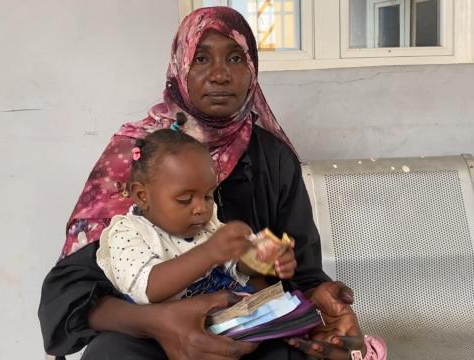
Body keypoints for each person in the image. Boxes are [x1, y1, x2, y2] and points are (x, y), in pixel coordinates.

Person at [38, 6, 387, 360]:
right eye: (201, 58)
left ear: (252, 70)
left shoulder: (274, 159)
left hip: (244, 330)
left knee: (303, 353)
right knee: (110, 354)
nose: (220, 74)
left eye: (236, 58)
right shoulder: (135, 158)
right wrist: (157, 321)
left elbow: (301, 274)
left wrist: (320, 302)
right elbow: (70, 293)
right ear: (180, 65)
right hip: (147, 334)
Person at [96, 129, 296, 304]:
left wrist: (262, 257)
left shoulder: (206, 225)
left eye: (208, 196)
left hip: (226, 315)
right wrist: (208, 253)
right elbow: (147, 289)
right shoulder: (127, 233)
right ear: (142, 196)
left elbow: (237, 266)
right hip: (168, 334)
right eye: (185, 199)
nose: (201, 208)